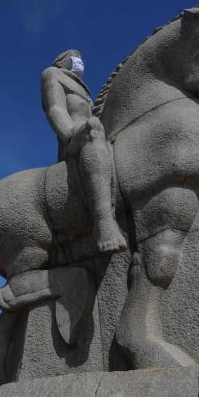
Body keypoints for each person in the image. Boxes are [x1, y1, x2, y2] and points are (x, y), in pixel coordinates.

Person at [41, 49, 127, 253]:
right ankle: (104, 223)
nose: (79, 62)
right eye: (73, 58)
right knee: (94, 127)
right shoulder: (52, 74)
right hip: (77, 137)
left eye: (80, 59)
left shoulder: (86, 92)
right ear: (61, 62)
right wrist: (71, 134)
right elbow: (55, 108)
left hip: (95, 134)